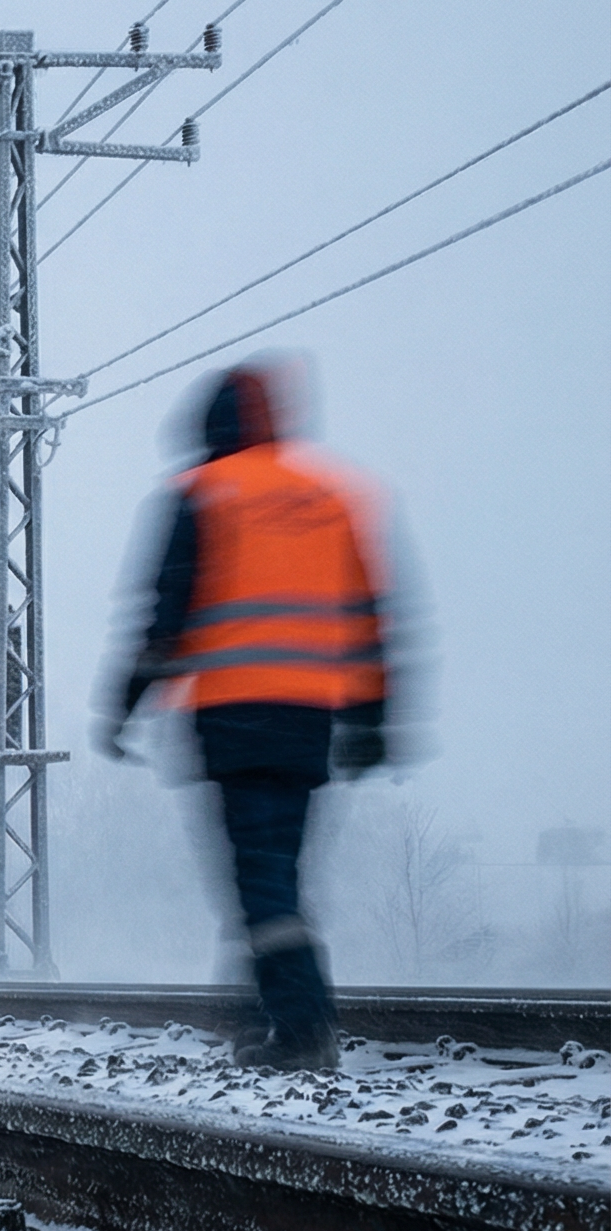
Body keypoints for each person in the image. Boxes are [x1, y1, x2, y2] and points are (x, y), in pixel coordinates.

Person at [98, 363, 393, 1072]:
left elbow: (164, 616)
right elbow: (371, 617)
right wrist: (374, 716)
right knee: (280, 875)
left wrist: (123, 702)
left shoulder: (203, 494)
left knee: (259, 881)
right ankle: (262, 1013)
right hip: (309, 719)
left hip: (232, 717)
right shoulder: (332, 495)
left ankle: (301, 1028)